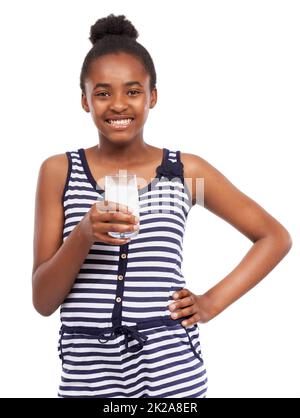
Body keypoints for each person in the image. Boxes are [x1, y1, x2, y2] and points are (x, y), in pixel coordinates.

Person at [32, 13, 292, 398]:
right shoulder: (59, 171)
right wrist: (84, 234)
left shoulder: (186, 172)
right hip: (87, 379)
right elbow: (43, 300)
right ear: (84, 100)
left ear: (152, 96)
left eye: (133, 91)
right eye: (102, 93)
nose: (118, 104)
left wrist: (210, 304)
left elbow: (274, 237)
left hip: (171, 376)